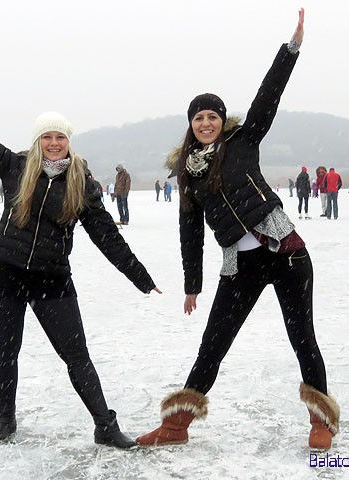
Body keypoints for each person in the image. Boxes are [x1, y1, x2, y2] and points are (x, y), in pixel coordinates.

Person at [136, 9, 338, 451]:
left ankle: (321, 421)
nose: (205, 123)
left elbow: (269, 94)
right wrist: (192, 284)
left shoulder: (244, 142)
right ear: (190, 126)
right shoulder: (187, 174)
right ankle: (175, 428)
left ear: (221, 121)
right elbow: (190, 231)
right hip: (239, 263)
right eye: (198, 118)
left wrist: (292, 48)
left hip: (285, 251)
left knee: (302, 336)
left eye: (211, 116)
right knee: (214, 344)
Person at [0, 74, 162, 447]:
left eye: (60, 137)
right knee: (5, 352)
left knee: (76, 355)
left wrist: (140, 276)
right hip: (3, 272)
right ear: (38, 141)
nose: (54, 143)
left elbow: (106, 235)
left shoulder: (81, 183)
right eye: (47, 137)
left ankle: (105, 425)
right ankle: (6, 418)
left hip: (52, 278)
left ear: (69, 141)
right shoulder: (15, 167)